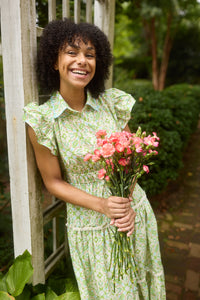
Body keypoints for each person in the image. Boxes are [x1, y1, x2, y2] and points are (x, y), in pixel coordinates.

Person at [24, 19, 166, 299]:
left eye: (90, 54)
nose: (82, 61)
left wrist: (125, 203)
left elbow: (132, 158)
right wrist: (103, 205)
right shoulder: (43, 120)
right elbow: (52, 182)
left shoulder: (112, 103)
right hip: (91, 227)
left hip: (133, 214)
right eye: (72, 52)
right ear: (54, 61)